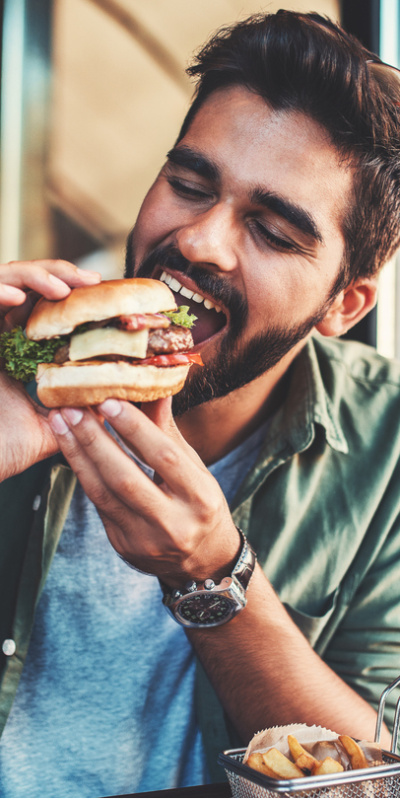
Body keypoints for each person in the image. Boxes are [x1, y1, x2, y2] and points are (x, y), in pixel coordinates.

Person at [0, 9, 400, 798]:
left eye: (274, 232)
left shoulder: (388, 450)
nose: (202, 241)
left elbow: (374, 784)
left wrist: (214, 575)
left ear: (344, 304)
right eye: (189, 184)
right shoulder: (19, 355)